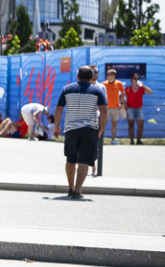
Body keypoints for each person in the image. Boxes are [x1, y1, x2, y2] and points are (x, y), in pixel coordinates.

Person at [54, 65, 107, 198]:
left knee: (70, 159)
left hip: (71, 129)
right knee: (85, 160)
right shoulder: (97, 91)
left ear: (78, 76)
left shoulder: (67, 89)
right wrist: (101, 129)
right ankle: (78, 190)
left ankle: (70, 187)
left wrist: (56, 127)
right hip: (89, 129)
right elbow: (104, 111)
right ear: (91, 76)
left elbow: (59, 108)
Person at [125, 73, 153, 144]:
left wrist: (144, 86)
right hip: (130, 109)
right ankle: (131, 141)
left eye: (137, 79)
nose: (136, 80)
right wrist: (123, 105)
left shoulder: (141, 88)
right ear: (131, 80)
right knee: (131, 125)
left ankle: (138, 140)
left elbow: (150, 92)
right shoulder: (127, 88)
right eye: (135, 78)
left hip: (139, 108)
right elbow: (122, 97)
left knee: (141, 125)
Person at [101, 69, 126, 144]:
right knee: (103, 124)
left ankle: (113, 140)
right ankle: (100, 140)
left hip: (115, 108)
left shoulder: (119, 83)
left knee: (114, 124)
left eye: (113, 75)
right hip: (106, 108)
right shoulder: (103, 84)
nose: (111, 77)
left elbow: (123, 92)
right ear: (106, 76)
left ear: (114, 76)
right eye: (109, 75)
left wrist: (121, 102)